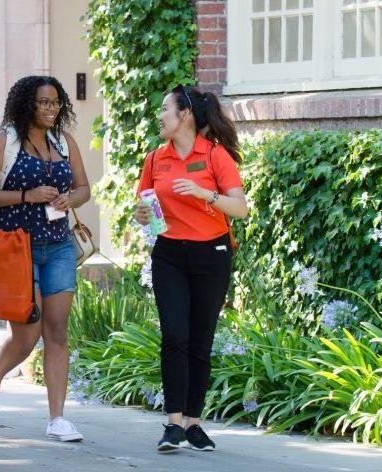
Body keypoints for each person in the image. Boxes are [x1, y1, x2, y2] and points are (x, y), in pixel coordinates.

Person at [0, 75, 90, 441]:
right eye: (43, 102)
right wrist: (27, 195)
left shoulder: (64, 143)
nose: (51, 109)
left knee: (57, 330)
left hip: (58, 247)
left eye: (55, 102)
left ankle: (57, 419)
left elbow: (84, 187)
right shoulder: (2, 143)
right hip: (18, 247)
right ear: (27, 104)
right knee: (28, 332)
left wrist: (70, 199)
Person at [135, 84, 248, 452]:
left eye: (165, 109)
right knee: (174, 337)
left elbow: (240, 209)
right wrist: (143, 216)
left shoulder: (215, 156)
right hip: (168, 254)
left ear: (184, 115)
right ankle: (173, 424)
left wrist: (205, 195)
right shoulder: (155, 159)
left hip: (211, 255)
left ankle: (194, 423)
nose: (160, 115)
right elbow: (148, 213)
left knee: (200, 340)